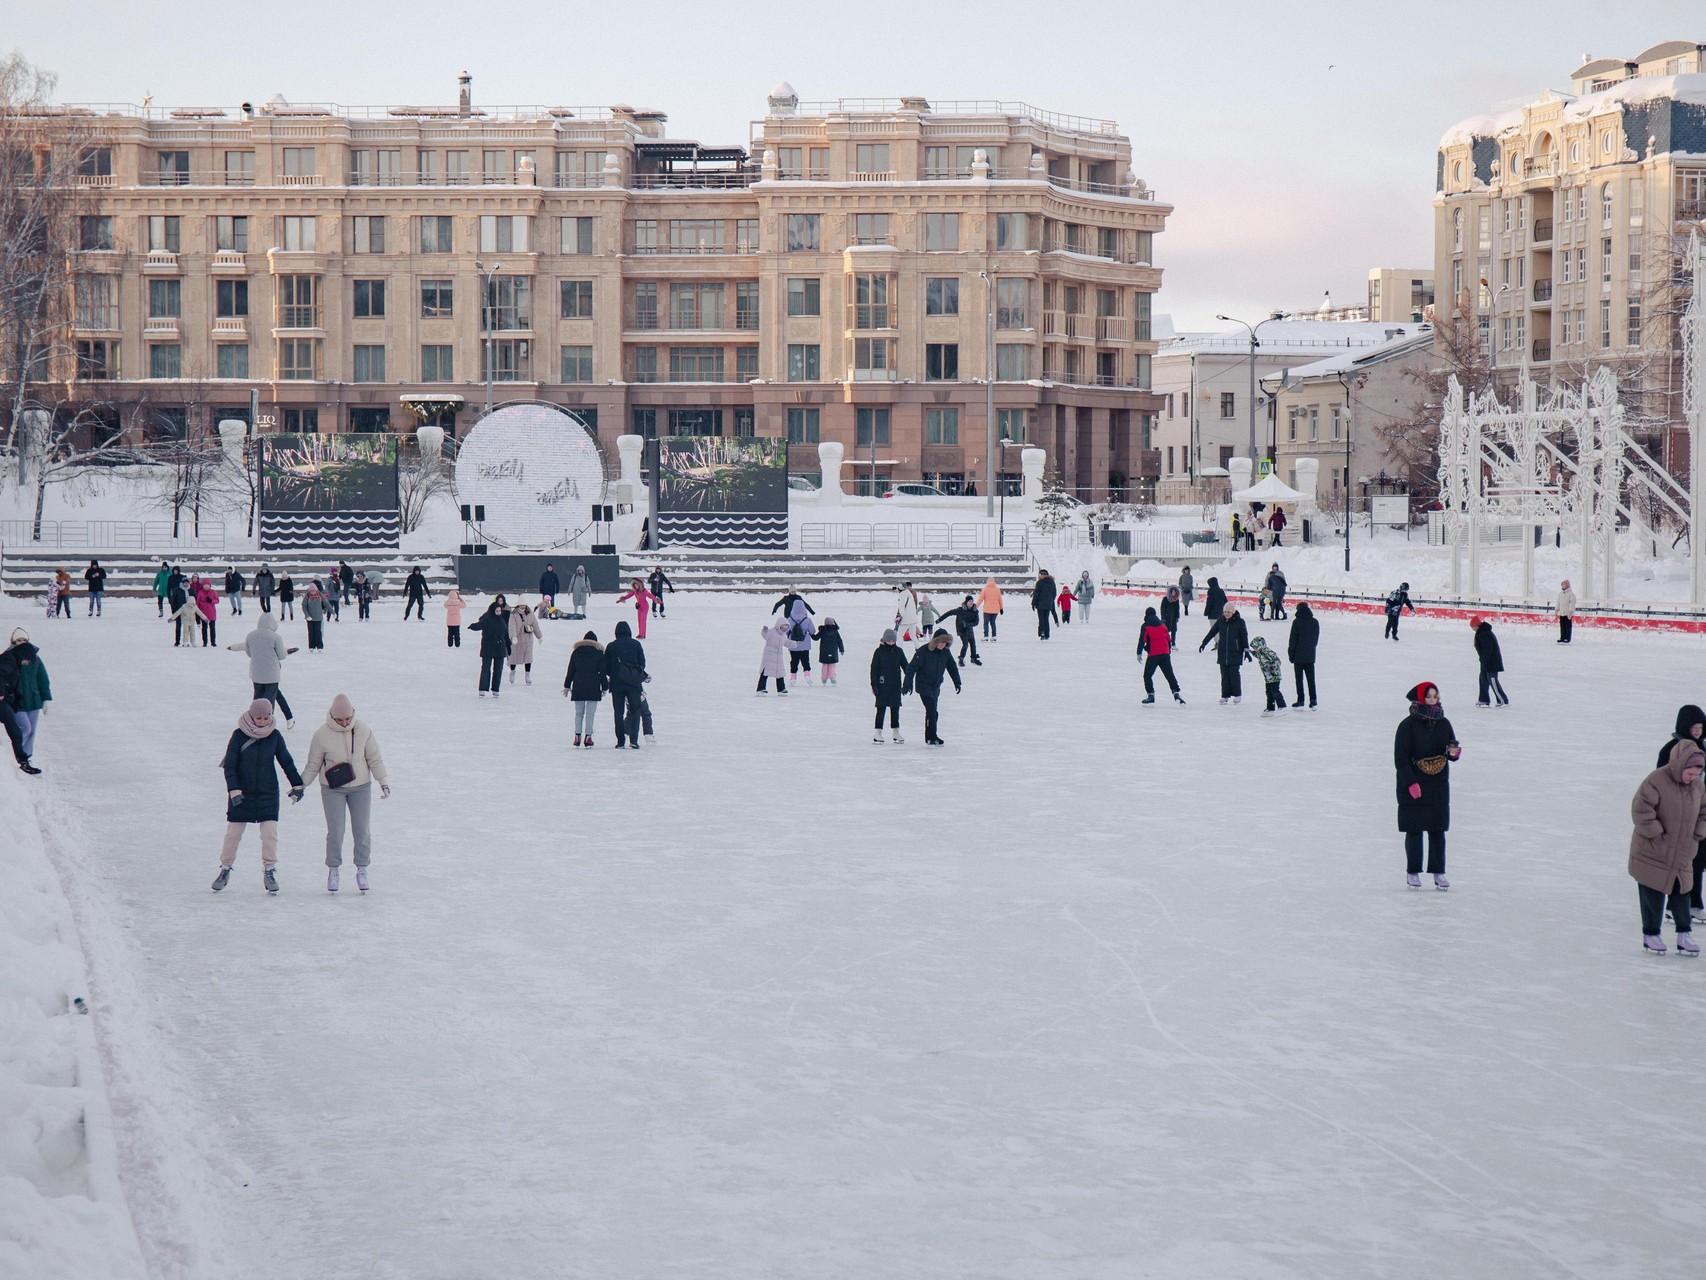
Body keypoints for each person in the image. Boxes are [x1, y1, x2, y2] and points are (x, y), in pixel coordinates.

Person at [300, 693, 389, 893]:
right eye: (340, 719)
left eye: (347, 719)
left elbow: (375, 758)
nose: (344, 722)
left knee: (362, 830)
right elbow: (313, 765)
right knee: (336, 832)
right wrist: (301, 786)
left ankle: (362, 869)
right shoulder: (321, 735)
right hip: (332, 790)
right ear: (332, 716)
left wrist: (383, 781)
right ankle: (333, 869)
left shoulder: (363, 730)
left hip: (361, 787)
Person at [212, 698, 304, 893]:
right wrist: (234, 790)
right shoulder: (238, 735)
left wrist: (297, 784)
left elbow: (286, 761)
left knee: (269, 835)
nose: (262, 721)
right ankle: (225, 868)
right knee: (233, 834)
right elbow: (230, 766)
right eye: (258, 718)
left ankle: (269, 870)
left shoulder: (275, 736)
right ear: (251, 716)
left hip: (267, 793)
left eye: (266, 717)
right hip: (241, 793)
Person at [1629, 743, 1706, 955]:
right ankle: (1651, 934)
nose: (1693, 778)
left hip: (1682, 852)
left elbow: (1704, 812)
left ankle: (1684, 935)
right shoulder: (1656, 780)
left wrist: (1698, 833)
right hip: (1652, 851)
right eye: (1690, 773)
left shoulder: (1698, 787)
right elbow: (1641, 809)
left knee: (1682, 892)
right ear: (1680, 766)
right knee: (1652, 893)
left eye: (1697, 774)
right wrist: (1657, 834)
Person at [1394, 681, 1461, 891]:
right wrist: (1410, 782)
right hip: (1415, 783)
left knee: (1437, 829)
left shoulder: (1444, 723)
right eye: (1429, 696)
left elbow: (1451, 746)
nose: (1433, 699)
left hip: (1438, 784)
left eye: (1435, 696)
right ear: (1420, 699)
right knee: (1414, 829)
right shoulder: (1407, 726)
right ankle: (1412, 871)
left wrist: (1454, 754)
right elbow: (1401, 758)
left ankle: (1438, 872)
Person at [1659, 706, 1706, 916]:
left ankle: (1694, 902)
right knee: (1682, 861)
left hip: (1700, 814)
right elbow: (1660, 782)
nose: (1697, 731)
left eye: (1700, 727)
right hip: (1679, 815)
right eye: (1693, 727)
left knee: (1699, 859)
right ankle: (1674, 906)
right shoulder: (1671, 749)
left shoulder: (1703, 749)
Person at [229, 613, 297, 726]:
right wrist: (285, 652)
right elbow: (281, 656)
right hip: (271, 675)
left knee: (258, 699)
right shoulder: (276, 637)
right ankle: (267, 725)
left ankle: (288, 718)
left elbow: (249, 653)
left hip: (256, 673)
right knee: (268, 702)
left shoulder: (250, 635)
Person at [903, 629, 961, 747]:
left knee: (933, 712)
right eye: (940, 642)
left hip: (935, 686)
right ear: (935, 641)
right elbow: (911, 668)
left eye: (945, 643)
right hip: (923, 685)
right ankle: (932, 736)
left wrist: (957, 682)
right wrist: (907, 684)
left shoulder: (945, 652)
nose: (942, 645)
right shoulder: (923, 651)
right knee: (931, 711)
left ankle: (929, 737)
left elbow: (952, 667)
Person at [1, 628, 50, 763]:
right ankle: (19, 754)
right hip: (17, 701)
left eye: (24, 640)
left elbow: (43, 679)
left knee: (32, 731)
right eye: (18, 640)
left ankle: (27, 756)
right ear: (13, 642)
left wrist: (45, 698)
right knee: (24, 727)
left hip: (34, 700)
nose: (22, 642)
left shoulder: (35, 658)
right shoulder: (9, 657)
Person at [602, 619, 647, 748]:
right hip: (634, 683)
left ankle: (620, 741)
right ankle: (634, 740)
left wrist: (614, 674)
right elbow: (642, 663)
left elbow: (606, 666)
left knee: (618, 712)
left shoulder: (611, 646)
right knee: (635, 710)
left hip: (616, 683)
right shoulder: (636, 644)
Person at [562, 631, 607, 747]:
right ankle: (588, 737)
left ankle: (577, 736)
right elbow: (602, 672)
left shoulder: (576, 652)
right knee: (590, 713)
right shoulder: (599, 653)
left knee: (578, 713)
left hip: (579, 684)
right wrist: (605, 687)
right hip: (593, 684)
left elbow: (570, 670)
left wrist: (567, 686)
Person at [1199, 605, 1250, 704]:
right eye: (1225, 612)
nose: (1226, 614)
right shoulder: (1221, 620)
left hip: (1235, 652)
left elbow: (1244, 636)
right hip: (1223, 652)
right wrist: (1204, 643)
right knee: (1224, 676)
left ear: (1233, 612)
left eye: (1228, 612)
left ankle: (1237, 694)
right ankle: (1225, 696)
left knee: (1234, 675)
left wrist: (1246, 651)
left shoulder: (1240, 622)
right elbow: (1212, 632)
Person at [1136, 607, 1183, 705]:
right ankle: (1176, 693)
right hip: (1165, 654)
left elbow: (1142, 640)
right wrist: (1168, 651)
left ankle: (1150, 695)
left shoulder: (1146, 626)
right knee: (1169, 675)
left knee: (1147, 676)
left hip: (1153, 655)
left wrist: (1139, 652)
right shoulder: (1162, 625)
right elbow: (1168, 639)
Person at [469, 598, 512, 697]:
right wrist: (472, 626)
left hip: (500, 648)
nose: (498, 612)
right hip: (488, 647)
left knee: (498, 669)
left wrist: (508, 646)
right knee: (486, 668)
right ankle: (483, 688)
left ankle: (495, 689)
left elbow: (506, 634)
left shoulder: (502, 621)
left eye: (499, 611)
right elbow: (479, 625)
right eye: (496, 611)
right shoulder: (487, 619)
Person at [870, 628, 907, 742]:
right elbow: (874, 669)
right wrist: (874, 685)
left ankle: (896, 732)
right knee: (881, 709)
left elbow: (906, 666)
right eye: (889, 640)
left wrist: (909, 680)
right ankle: (878, 732)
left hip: (895, 685)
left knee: (895, 708)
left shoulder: (899, 651)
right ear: (885, 640)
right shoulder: (879, 652)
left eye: (893, 641)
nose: (891, 642)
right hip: (882, 685)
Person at [1287, 601, 1319, 710]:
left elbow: (1293, 641)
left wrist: (1291, 655)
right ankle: (1313, 700)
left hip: (1298, 657)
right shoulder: (1315, 622)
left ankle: (1300, 700)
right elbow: (1315, 640)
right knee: (1311, 680)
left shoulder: (1297, 622)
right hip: (1310, 656)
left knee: (1299, 680)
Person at [1471, 617, 1509, 707]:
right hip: (1485, 661)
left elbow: (1488, 650)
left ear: (1476, 625)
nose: (1472, 628)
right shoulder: (1481, 632)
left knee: (1493, 680)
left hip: (1491, 662)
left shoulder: (1484, 633)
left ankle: (1502, 700)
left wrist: (1486, 662)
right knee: (1483, 679)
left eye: (1472, 626)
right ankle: (1483, 700)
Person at [937, 595, 981, 666]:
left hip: (969, 630)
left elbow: (976, 622)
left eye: (972, 601)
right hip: (962, 630)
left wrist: (967, 624)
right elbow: (949, 613)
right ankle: (961, 659)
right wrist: (940, 619)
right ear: (966, 602)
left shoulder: (975, 611)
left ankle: (973, 658)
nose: (971, 603)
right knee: (965, 645)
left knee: (973, 645)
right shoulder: (960, 610)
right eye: (969, 601)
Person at [507, 600, 543, 685]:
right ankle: (512, 672)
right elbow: (512, 626)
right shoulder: (513, 614)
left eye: (524, 604)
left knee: (528, 658)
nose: (523, 606)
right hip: (517, 639)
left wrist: (539, 636)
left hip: (528, 639)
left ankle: (527, 676)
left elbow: (535, 625)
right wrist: (513, 637)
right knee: (514, 657)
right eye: (521, 604)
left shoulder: (530, 613)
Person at [1251, 636, 1286, 716]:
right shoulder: (1260, 652)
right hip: (1268, 678)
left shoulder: (1267, 651)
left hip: (1274, 676)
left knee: (1275, 691)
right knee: (1269, 692)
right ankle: (1270, 708)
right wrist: (1251, 652)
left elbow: (1277, 661)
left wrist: (1271, 667)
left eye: (1256, 647)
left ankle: (1282, 706)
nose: (1255, 649)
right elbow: (1258, 655)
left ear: (1260, 645)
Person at [785, 600, 817, 684]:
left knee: (794, 661)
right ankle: (807, 676)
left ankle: (793, 678)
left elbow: (785, 631)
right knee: (805, 661)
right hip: (804, 645)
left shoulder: (789, 619)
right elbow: (812, 631)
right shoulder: (807, 620)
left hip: (793, 645)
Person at [757, 616, 790, 696]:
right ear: (779, 625)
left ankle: (781, 689)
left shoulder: (784, 635)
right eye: (784, 626)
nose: (785, 628)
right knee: (765, 672)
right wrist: (764, 631)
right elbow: (766, 636)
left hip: (778, 657)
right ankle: (760, 689)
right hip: (769, 656)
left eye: (787, 626)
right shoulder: (772, 632)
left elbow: (786, 643)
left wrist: (796, 643)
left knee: (780, 673)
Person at [1032, 569, 1059, 640]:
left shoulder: (1039, 583)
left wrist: (1033, 603)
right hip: (1048, 604)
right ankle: (1047, 634)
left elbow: (1036, 594)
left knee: (1041, 619)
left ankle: (1042, 633)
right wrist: (1050, 600)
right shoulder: (1052, 582)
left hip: (1040, 604)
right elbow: (1054, 593)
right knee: (1046, 619)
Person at [817, 616, 845, 683]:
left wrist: (809, 634)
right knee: (832, 665)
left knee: (825, 665)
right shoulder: (835, 631)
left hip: (824, 652)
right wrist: (841, 649)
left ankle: (824, 679)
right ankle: (832, 678)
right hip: (833, 651)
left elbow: (816, 638)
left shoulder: (822, 631)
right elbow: (839, 641)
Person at [194, 576, 220, 647]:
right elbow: (198, 602)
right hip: (203, 614)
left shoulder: (213, 592)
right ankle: (205, 642)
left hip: (212, 614)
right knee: (204, 629)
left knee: (212, 629)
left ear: (210, 586)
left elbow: (217, 600)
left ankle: (213, 642)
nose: (206, 587)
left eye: (207, 585)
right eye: (205, 585)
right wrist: (198, 612)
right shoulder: (200, 593)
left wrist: (211, 601)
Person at [302, 582, 327, 652]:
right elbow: (304, 606)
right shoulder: (307, 596)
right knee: (311, 632)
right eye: (311, 590)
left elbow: (326, 604)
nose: (312, 592)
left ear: (316, 590)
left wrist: (325, 610)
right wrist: (307, 615)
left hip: (318, 617)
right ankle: (311, 646)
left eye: (313, 590)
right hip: (309, 618)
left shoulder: (320, 595)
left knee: (318, 632)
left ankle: (319, 646)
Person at [1556, 579, 1575, 643]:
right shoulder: (1560, 594)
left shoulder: (1571, 594)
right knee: (1562, 626)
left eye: (1564, 584)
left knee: (1567, 626)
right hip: (1562, 613)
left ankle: (1567, 638)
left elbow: (1572, 603)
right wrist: (1556, 609)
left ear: (1567, 585)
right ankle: (1562, 637)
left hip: (1567, 614)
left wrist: (1571, 612)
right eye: (1562, 584)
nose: (1563, 586)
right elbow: (1558, 602)